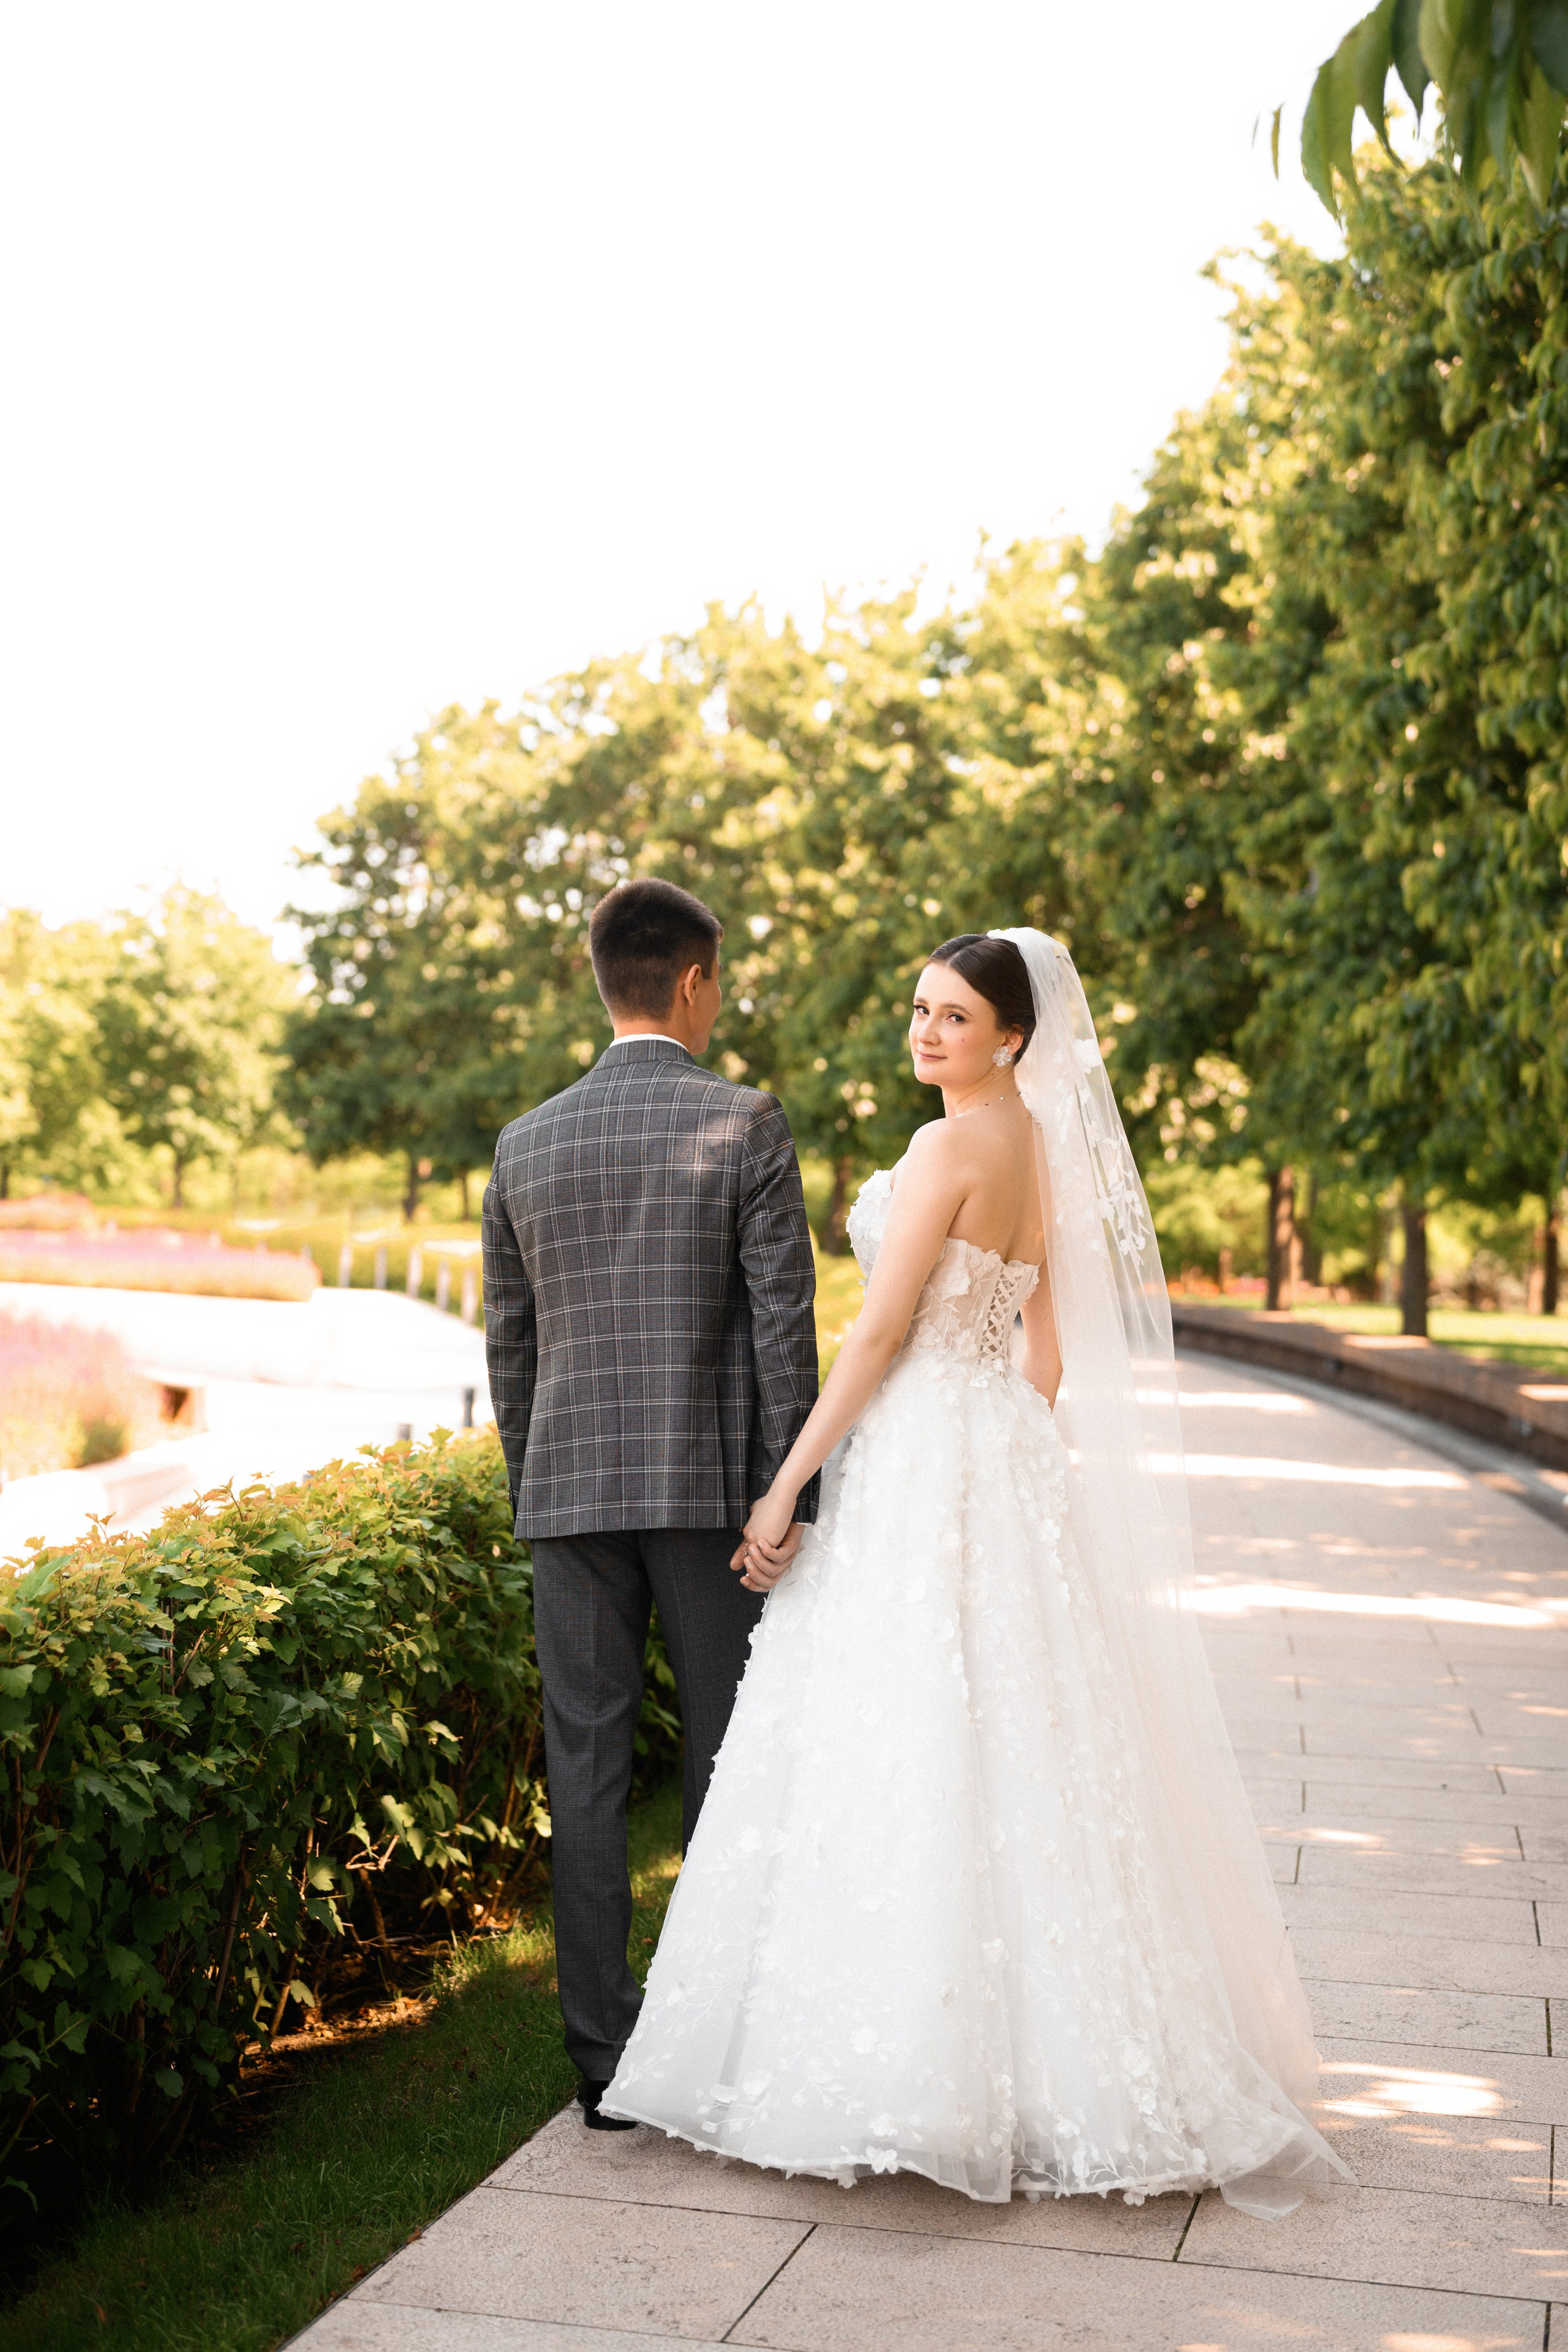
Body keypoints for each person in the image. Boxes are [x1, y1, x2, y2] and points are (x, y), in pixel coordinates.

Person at [602, 927, 1350, 2217]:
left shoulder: (947, 1148)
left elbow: (883, 1331)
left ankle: (903, 2068)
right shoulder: (1041, 1153)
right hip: (997, 1453)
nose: (924, 1032)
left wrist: (785, 1486)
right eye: (918, 1010)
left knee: (899, 1735)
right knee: (1025, 1742)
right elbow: (1046, 1359)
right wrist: (1001, 1454)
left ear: (1012, 1035)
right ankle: (1055, 2065)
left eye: (951, 1016)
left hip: (921, 1453)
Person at [482, 876, 820, 2130]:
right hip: (711, 1499)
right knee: (728, 1759)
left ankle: (603, 2062)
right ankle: (718, 2030)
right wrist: (792, 1498)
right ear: (691, 982)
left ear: (601, 979)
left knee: (587, 1772)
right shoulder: (745, 1123)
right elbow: (783, 1329)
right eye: (717, 981)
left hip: (569, 1498)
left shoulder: (524, 1142)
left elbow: (508, 1352)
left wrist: (541, 1491)